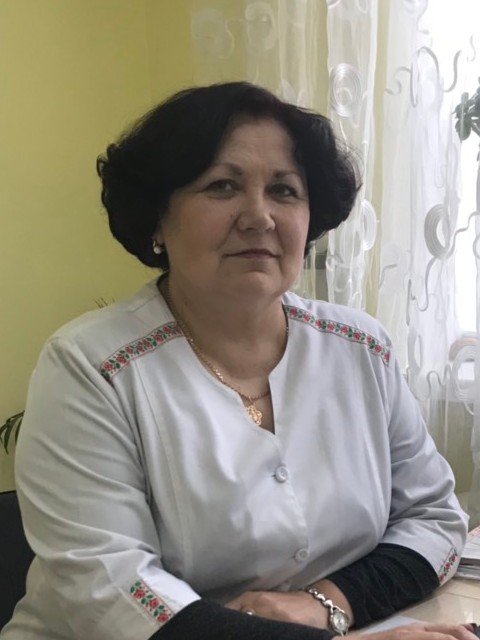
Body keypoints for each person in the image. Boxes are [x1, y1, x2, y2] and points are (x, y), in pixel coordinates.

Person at [1, 82, 472, 640]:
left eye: (284, 190)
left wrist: (325, 603)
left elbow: (434, 519)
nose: (259, 216)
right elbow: (114, 593)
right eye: (222, 186)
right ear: (158, 219)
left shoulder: (360, 347)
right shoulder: (90, 367)